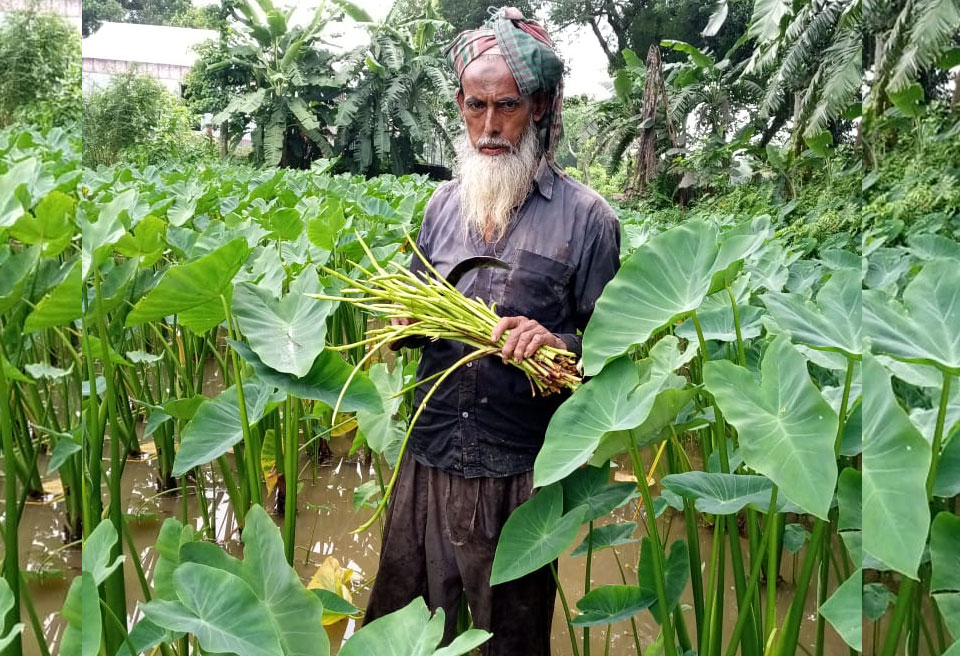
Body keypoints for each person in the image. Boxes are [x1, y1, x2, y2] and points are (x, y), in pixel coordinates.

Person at [363, 7, 621, 654]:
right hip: (429, 457)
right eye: (475, 106)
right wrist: (407, 326)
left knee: (506, 639)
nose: (488, 127)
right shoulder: (440, 208)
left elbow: (615, 362)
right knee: (409, 627)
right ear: (459, 102)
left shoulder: (589, 221)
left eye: (505, 106)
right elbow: (419, 318)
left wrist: (556, 345)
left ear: (537, 106)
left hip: (515, 477)